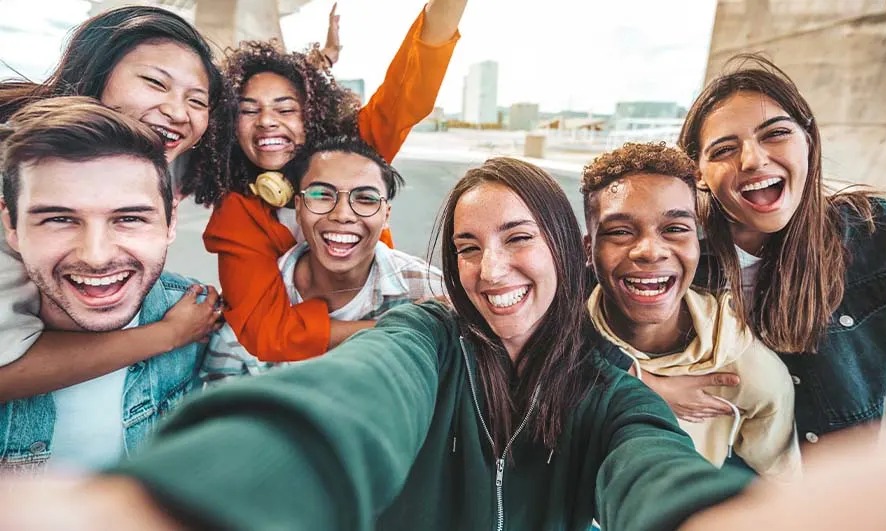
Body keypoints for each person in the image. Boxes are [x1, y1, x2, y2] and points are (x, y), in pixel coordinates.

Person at [0, 157, 754, 529]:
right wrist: (182, 501)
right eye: (466, 246)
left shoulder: (609, 390)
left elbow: (655, 472)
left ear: (568, 247)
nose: (489, 271)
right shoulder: (424, 336)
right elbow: (345, 403)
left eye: (517, 238)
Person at [651, 54, 886, 442]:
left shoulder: (869, 231)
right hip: (726, 486)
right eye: (723, 150)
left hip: (837, 489)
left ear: (808, 140)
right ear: (698, 175)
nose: (753, 160)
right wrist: (645, 385)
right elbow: (571, 324)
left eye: (775, 133)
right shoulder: (672, 254)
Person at [195, 0, 468, 363]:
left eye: (286, 109)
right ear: (230, 125)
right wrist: (398, 325)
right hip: (307, 362)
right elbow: (267, 333)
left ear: (312, 116)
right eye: (248, 110)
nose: (266, 122)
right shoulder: (236, 214)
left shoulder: (352, 156)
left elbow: (409, 93)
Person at [0, 6, 225, 402]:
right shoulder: (18, 170)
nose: (177, 112)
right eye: (155, 82)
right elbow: (7, 368)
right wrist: (169, 334)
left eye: (197, 100)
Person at [0, 97, 215, 472]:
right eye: (58, 219)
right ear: (11, 227)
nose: (96, 256)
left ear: (171, 221)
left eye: (129, 218)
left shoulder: (198, 312)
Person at [581, 142, 800, 480]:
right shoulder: (552, 336)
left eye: (675, 229)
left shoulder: (751, 375)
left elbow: (781, 487)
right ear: (588, 249)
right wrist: (641, 383)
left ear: (697, 243)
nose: (651, 252)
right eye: (621, 232)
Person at [202, 137, 444, 380]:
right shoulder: (246, 321)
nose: (342, 215)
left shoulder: (433, 294)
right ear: (298, 208)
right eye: (321, 195)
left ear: (386, 215)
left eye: (366, 199)